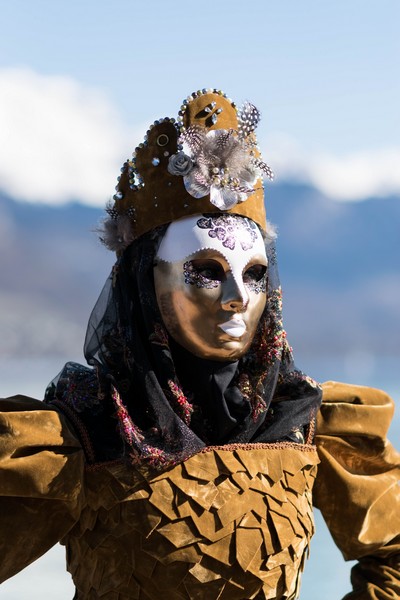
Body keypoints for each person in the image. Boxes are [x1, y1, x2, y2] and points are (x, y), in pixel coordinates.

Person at [0, 88, 399, 600]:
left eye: (254, 275)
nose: (237, 298)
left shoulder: (305, 421)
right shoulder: (89, 429)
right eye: (207, 272)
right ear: (147, 282)